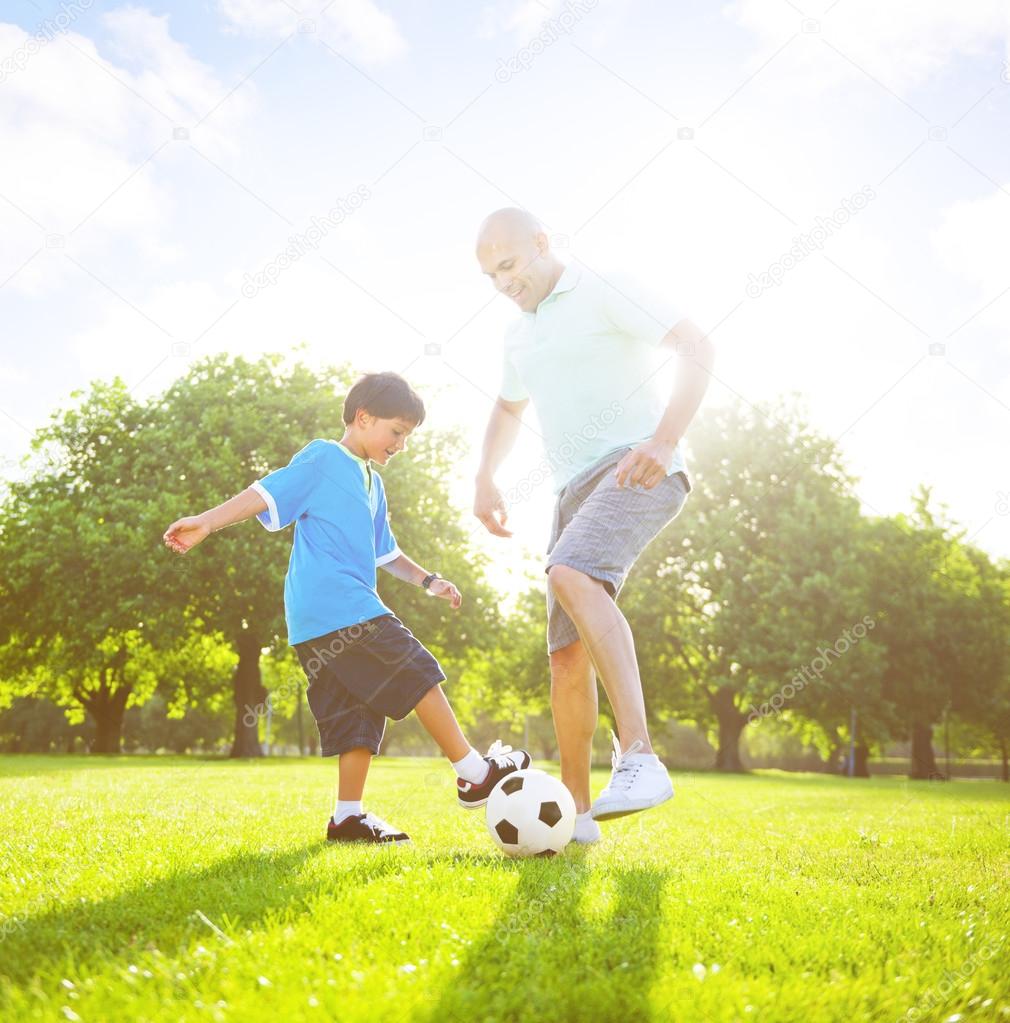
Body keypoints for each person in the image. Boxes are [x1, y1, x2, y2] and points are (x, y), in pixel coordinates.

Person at [164, 371, 530, 845]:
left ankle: (348, 819)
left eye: (407, 436)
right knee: (417, 669)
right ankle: (473, 773)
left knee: (356, 712)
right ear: (363, 418)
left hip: (315, 621)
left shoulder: (372, 483)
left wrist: (430, 581)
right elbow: (266, 493)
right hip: (342, 606)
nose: (401, 444)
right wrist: (207, 524)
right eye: (396, 432)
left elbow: (387, 554)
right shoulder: (324, 458)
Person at [473, 208, 715, 844]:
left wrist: (665, 442)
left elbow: (699, 346)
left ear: (542, 245)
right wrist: (484, 477)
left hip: (637, 464)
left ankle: (638, 755)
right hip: (569, 491)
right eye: (490, 273)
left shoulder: (607, 288)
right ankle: (577, 816)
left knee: (570, 571)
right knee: (564, 657)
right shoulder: (517, 336)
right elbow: (506, 406)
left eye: (510, 264)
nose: (502, 281)